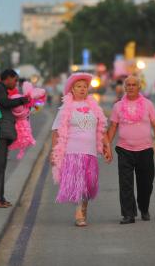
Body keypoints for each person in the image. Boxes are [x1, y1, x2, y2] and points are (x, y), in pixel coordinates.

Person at [51, 73, 111, 227]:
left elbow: (101, 129)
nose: (82, 89)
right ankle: (79, 212)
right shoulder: (66, 108)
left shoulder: (94, 107)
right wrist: (55, 153)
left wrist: (107, 146)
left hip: (90, 152)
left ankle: (83, 206)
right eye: (79, 86)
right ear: (72, 89)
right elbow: (56, 131)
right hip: (72, 151)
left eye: (85, 87)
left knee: (90, 183)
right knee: (78, 183)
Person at [107, 75, 155, 225]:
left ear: (139, 87)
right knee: (125, 184)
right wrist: (107, 146)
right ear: (125, 88)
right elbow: (113, 127)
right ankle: (128, 214)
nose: (131, 87)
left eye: (134, 85)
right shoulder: (118, 106)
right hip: (124, 149)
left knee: (146, 184)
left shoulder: (147, 104)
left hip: (145, 149)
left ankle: (144, 207)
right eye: (128, 85)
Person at [0, 69, 29, 208]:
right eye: (15, 80)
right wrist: (23, 99)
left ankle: (0, 197)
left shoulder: (1, 89)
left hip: (2, 134)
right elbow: (5, 103)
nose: (16, 83)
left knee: (1, 166)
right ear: (8, 78)